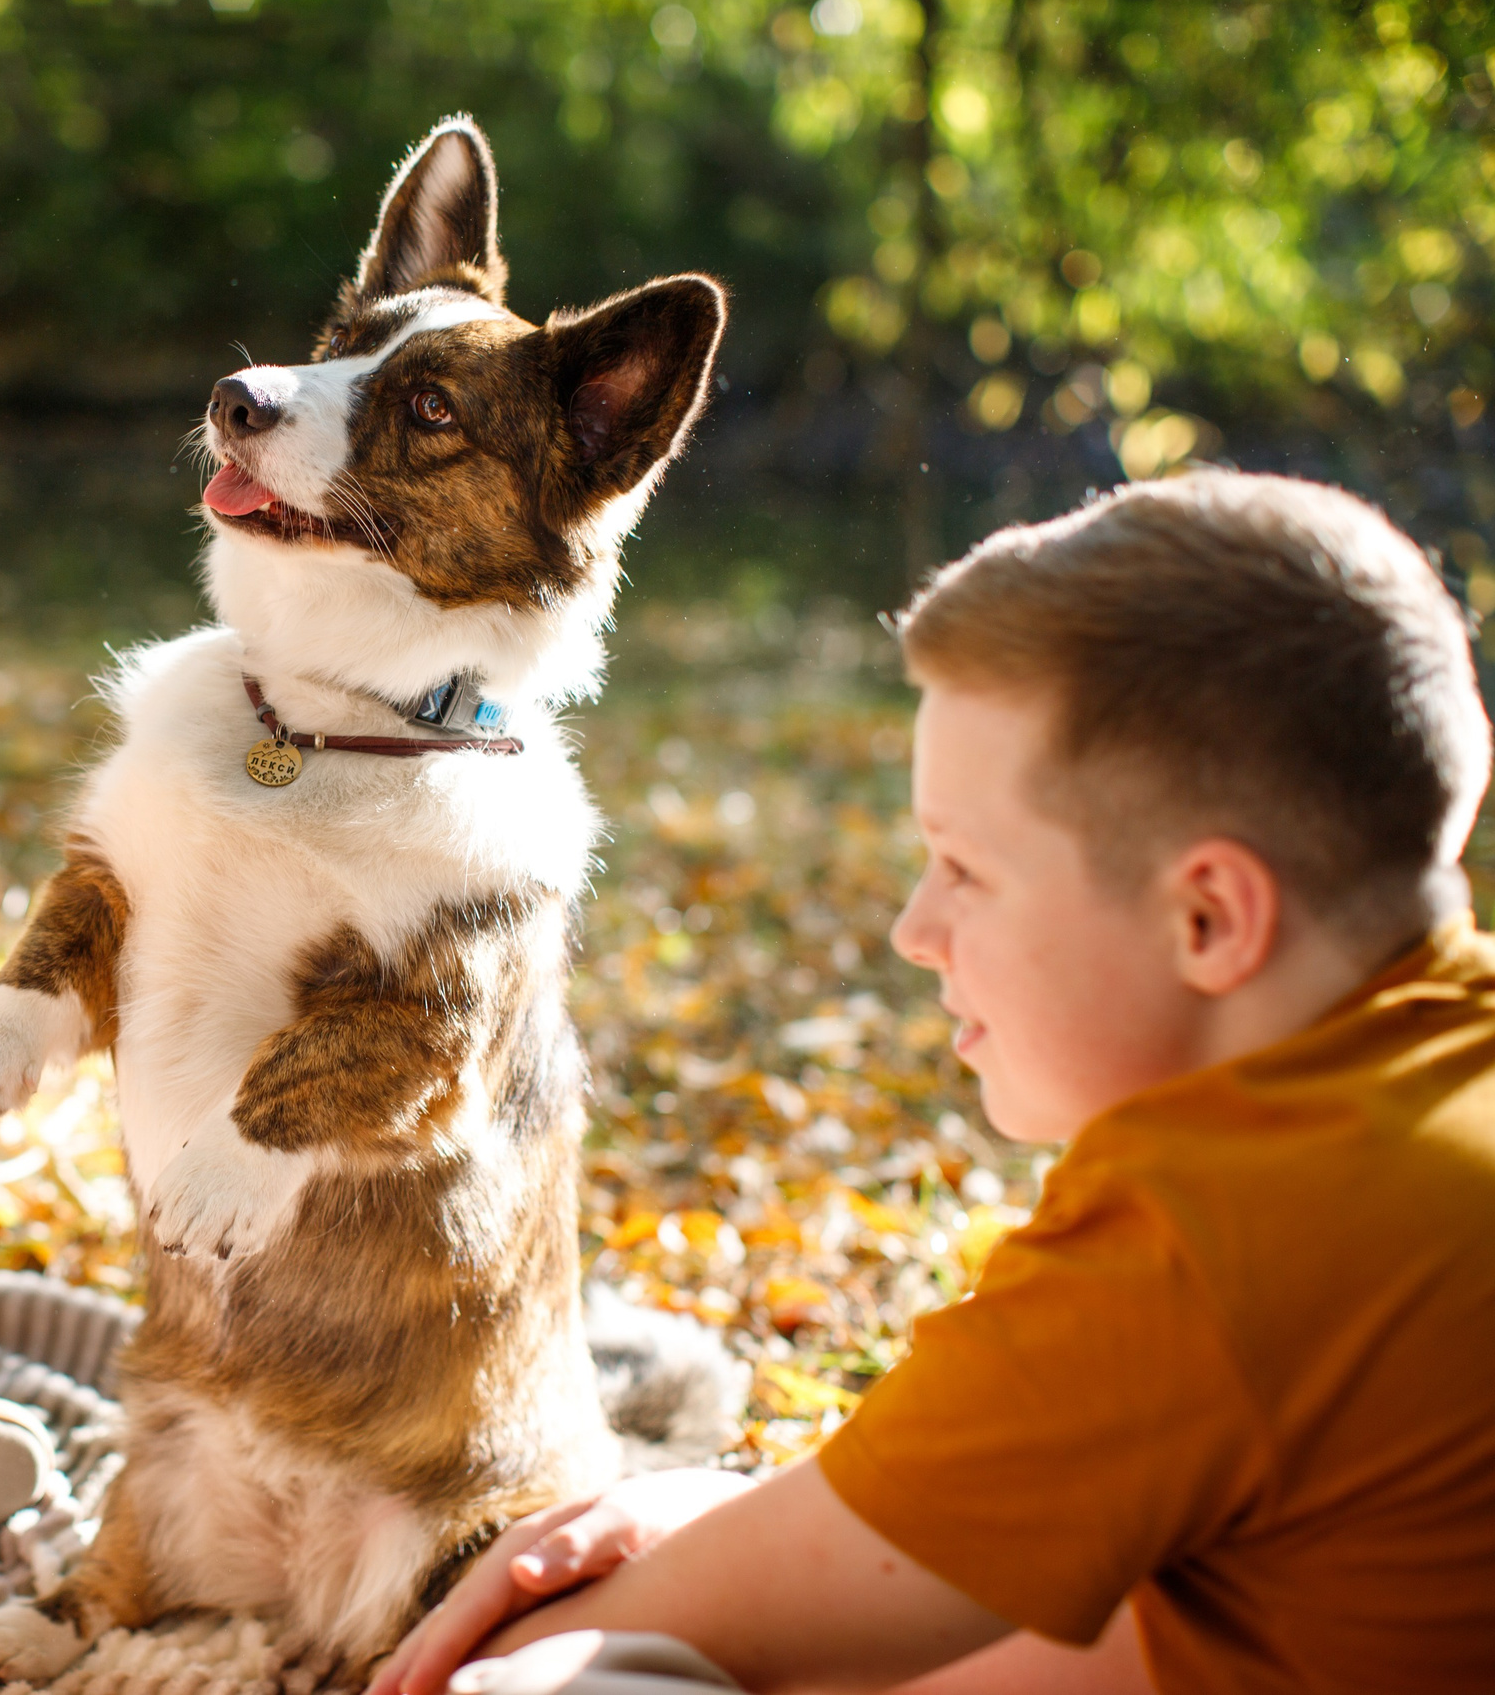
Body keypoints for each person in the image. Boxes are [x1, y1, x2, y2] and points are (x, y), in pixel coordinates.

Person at [372, 472, 1495, 1694]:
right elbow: (1164, 1631)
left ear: (1209, 916)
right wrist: (783, 1526)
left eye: (963, 867)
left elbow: (528, 1648)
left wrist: (658, 1591)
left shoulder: (1224, 1227)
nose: (915, 929)